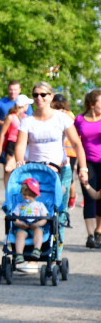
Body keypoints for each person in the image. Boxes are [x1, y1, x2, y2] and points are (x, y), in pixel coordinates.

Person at [14, 81, 89, 212]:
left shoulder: (62, 118)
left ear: (51, 96)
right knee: (36, 209)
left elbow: (77, 143)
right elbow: (20, 145)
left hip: (60, 169)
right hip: (35, 169)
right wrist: (20, 162)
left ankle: (58, 230)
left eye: (43, 95)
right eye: (35, 95)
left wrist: (83, 168)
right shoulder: (27, 121)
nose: (39, 98)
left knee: (59, 211)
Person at [74, 89, 101, 247]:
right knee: (90, 197)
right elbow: (74, 140)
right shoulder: (79, 120)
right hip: (87, 163)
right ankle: (90, 236)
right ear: (92, 104)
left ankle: (99, 231)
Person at [12, 178, 49, 266]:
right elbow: (15, 218)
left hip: (36, 225)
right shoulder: (20, 205)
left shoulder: (40, 205)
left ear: (36, 195)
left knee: (39, 231)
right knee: (19, 234)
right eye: (25, 195)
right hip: (23, 226)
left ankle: (36, 249)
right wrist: (19, 223)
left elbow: (44, 218)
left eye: (30, 195)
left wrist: (38, 224)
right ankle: (19, 254)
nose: (27, 197)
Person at [0, 94, 32, 188]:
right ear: (24, 105)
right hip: (11, 144)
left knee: (19, 169)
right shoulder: (11, 117)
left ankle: (17, 190)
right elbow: (2, 133)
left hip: (23, 144)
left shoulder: (26, 118)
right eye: (27, 104)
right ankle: (8, 192)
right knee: (9, 170)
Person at [0, 80, 24, 161]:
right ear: (8, 90)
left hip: (20, 139)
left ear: (20, 90)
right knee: (6, 166)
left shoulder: (24, 103)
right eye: (11, 89)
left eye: (15, 89)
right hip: (5, 138)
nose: (13, 92)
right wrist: (5, 123)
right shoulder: (0, 102)